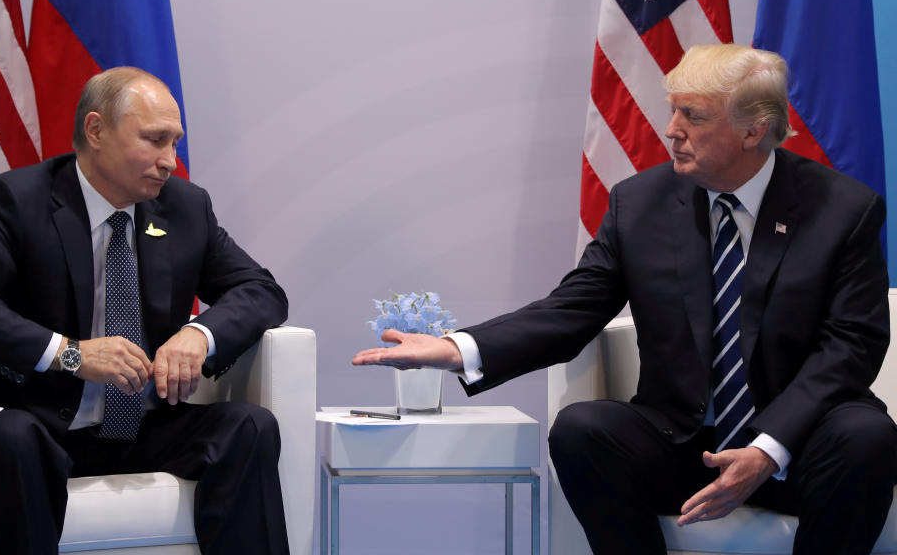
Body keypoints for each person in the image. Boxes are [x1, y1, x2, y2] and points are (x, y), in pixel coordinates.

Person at [353, 44, 897, 554]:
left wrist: (767, 448)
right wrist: (456, 348)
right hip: (682, 442)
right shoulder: (641, 203)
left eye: (693, 116)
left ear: (753, 129)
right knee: (584, 429)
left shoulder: (842, 210)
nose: (671, 130)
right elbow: (574, 307)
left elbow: (852, 344)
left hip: (796, 447)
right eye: (673, 111)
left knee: (866, 436)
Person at [0, 67, 290, 555]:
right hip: (37, 422)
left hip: (144, 426)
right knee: (12, 437)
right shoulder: (22, 200)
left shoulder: (185, 207)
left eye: (175, 143)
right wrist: (72, 354)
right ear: (97, 130)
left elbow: (262, 291)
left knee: (249, 427)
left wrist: (199, 335)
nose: (170, 161)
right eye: (155, 140)